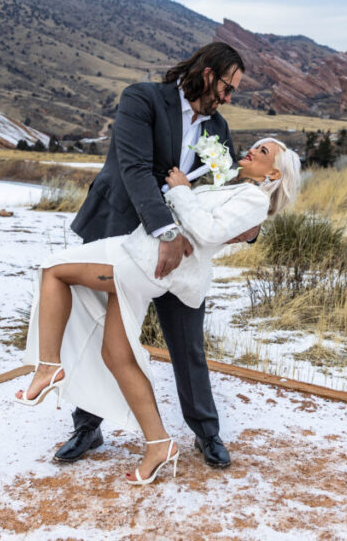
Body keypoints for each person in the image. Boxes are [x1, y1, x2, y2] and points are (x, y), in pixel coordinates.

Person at [16, 138, 301, 484]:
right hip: (140, 251)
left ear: (272, 173)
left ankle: (48, 366)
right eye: (256, 145)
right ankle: (158, 444)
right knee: (116, 354)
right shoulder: (235, 187)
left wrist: (181, 190)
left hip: (141, 260)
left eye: (264, 152)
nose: (253, 150)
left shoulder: (254, 198)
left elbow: (209, 230)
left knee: (53, 270)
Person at [41, 42, 246, 470]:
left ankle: (206, 433)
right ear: (208, 74)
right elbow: (134, 168)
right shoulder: (142, 99)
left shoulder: (219, 131)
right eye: (228, 87)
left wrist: (245, 224)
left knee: (187, 341)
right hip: (118, 234)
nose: (229, 99)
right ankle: (87, 426)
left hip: (179, 256)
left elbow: (220, 193)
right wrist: (165, 230)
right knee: (100, 332)